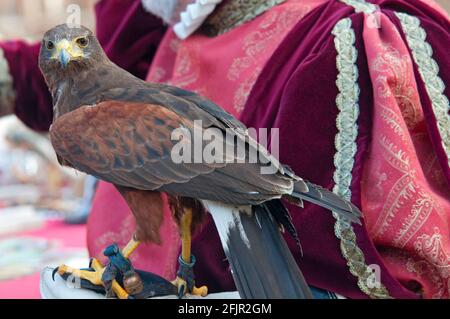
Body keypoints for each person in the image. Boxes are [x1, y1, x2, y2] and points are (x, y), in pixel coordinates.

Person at [1, 0, 449, 299]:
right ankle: (182, 278)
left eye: (77, 44)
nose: (67, 52)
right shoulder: (168, 27)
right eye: (56, 47)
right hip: (209, 207)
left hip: (242, 213)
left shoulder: (341, 31)